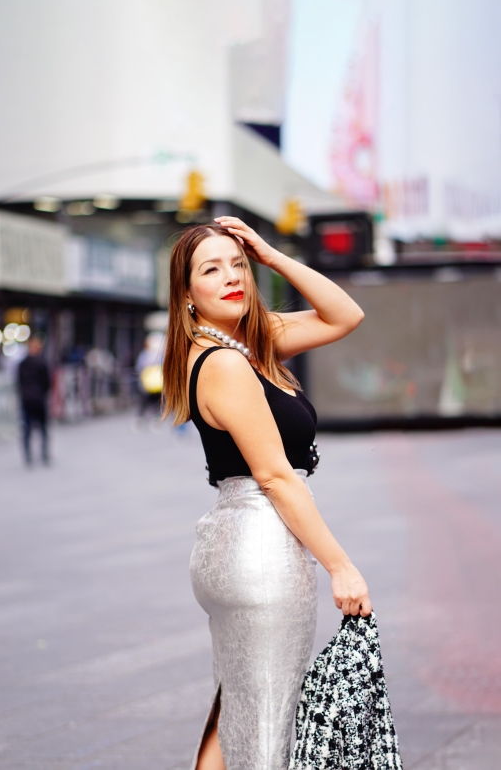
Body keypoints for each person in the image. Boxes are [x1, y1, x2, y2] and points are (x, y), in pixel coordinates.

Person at [162, 217, 372, 770]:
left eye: (239, 264)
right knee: (265, 725)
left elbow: (345, 315)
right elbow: (276, 476)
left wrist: (273, 256)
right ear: (187, 294)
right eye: (211, 269)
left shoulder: (245, 344)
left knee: (240, 711)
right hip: (259, 548)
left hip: (238, 542)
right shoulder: (227, 363)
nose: (232, 276)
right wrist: (341, 566)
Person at [16, 334, 51, 466]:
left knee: (30, 429)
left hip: (29, 400)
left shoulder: (24, 364)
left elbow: (19, 383)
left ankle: (32, 455)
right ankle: (38, 454)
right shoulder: (41, 363)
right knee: (38, 429)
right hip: (36, 400)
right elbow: (47, 383)